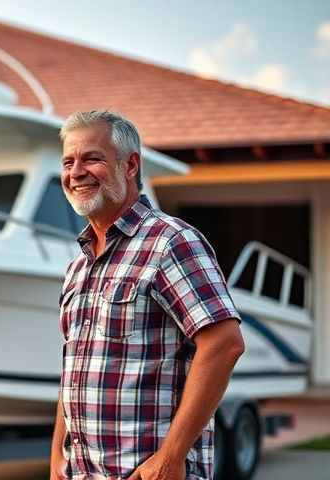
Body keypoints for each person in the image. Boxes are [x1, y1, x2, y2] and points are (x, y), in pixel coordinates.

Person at [50, 110, 245, 480]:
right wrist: (58, 454)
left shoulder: (171, 242)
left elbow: (223, 345)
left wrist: (171, 457)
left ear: (130, 165)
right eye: (68, 161)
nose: (76, 172)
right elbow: (73, 368)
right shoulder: (78, 266)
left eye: (92, 158)